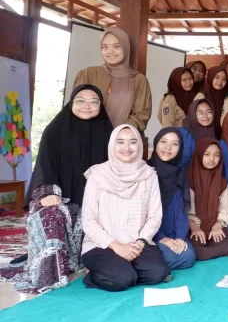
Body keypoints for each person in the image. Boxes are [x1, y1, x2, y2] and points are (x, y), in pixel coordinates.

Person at [0, 85, 113, 294]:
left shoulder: (109, 133)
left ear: (100, 106)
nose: (86, 106)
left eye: (93, 102)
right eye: (80, 100)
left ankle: (88, 259)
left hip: (96, 198)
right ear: (71, 103)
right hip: (58, 195)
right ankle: (50, 271)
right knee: (51, 214)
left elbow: (115, 169)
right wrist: (49, 193)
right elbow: (45, 165)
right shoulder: (55, 130)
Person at [81, 125, 169, 292]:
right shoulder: (98, 174)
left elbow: (155, 216)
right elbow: (88, 220)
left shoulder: (149, 174)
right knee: (122, 278)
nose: (127, 147)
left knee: (158, 273)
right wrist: (117, 246)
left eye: (133, 142)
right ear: (112, 145)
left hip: (137, 243)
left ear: (139, 145)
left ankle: (121, 272)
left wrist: (141, 242)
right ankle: (94, 275)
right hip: (102, 245)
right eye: (120, 142)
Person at [74, 27, 151, 132]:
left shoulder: (138, 80)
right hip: (87, 134)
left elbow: (142, 114)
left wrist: (117, 133)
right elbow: (77, 106)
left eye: (116, 46)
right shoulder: (88, 74)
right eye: (105, 47)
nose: (110, 51)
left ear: (125, 47)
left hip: (121, 138)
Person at [147, 128, 196, 270]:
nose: (168, 148)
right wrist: (161, 238)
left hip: (172, 234)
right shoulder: (145, 171)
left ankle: (149, 264)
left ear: (180, 149)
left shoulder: (179, 173)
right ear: (156, 143)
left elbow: (181, 212)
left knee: (188, 256)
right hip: (150, 235)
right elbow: (142, 214)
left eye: (175, 144)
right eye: (163, 142)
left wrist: (180, 237)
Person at [187, 138, 228, 260]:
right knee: (194, 248)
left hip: (215, 225)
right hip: (194, 226)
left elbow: (225, 206)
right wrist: (194, 227)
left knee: (226, 245)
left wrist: (218, 224)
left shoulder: (221, 181)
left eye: (216, 155)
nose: (212, 159)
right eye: (207, 154)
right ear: (199, 155)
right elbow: (182, 210)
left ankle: (204, 254)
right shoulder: (188, 179)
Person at [177, 99, 216, 170]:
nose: (205, 115)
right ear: (193, 114)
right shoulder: (182, 135)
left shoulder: (213, 135)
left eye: (209, 112)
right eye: (200, 113)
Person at [196, 66, 227, 138]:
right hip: (204, 135)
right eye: (217, 77)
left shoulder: (225, 96)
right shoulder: (202, 96)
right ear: (210, 77)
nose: (220, 81)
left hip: (221, 136)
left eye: (224, 79)